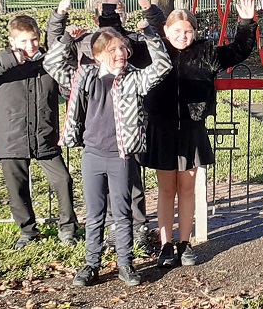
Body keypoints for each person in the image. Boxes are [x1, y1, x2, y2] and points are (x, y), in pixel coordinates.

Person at [44, 18, 172, 287]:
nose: (121, 54)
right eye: (113, 50)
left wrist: (149, 33)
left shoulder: (134, 78)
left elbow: (162, 66)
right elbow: (52, 64)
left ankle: (126, 264)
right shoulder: (85, 76)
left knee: (123, 213)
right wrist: (66, 39)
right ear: (99, 54)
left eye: (123, 49)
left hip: (121, 156)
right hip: (92, 154)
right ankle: (92, 264)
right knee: (94, 214)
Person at [140, 0, 258, 268]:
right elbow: (119, 48)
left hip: (192, 129)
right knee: (166, 190)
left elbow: (239, 50)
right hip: (162, 129)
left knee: (188, 188)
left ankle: (185, 242)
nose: (183, 36)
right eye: (177, 31)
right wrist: (113, 15)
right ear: (166, 31)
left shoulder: (206, 52)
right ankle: (166, 244)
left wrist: (246, 22)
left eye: (188, 31)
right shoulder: (154, 50)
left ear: (195, 32)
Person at [0, 15, 79, 250]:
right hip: (12, 138)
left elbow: (67, 88)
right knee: (17, 188)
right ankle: (28, 232)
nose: (30, 46)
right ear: (12, 41)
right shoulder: (1, 65)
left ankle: (68, 229)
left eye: (34, 40)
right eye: (24, 42)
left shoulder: (47, 64)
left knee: (63, 181)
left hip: (44, 137)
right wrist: (12, 59)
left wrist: (68, 48)